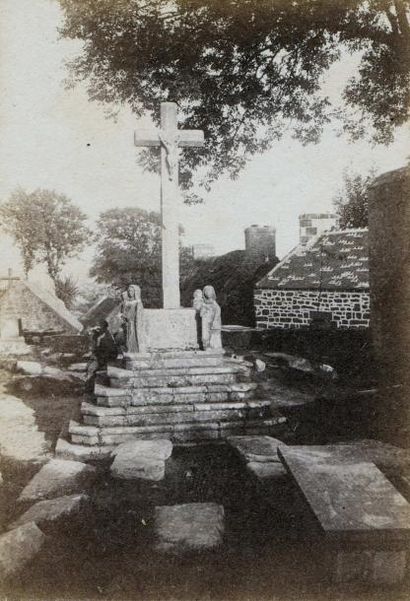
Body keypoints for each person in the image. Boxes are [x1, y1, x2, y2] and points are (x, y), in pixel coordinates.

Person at [85, 320, 118, 393]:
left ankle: (89, 390)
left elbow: (111, 351)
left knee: (91, 369)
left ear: (104, 328)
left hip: (105, 358)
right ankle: (88, 387)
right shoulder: (98, 335)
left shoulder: (107, 337)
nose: (98, 329)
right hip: (99, 356)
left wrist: (100, 359)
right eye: (98, 328)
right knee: (88, 368)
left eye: (100, 328)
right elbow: (90, 340)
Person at [120, 284, 146, 353]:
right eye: (129, 291)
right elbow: (125, 311)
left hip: (135, 323)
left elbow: (139, 313)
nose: (130, 292)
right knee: (128, 336)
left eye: (131, 291)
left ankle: (134, 349)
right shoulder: (127, 302)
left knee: (133, 336)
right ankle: (129, 349)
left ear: (135, 292)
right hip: (128, 322)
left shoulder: (138, 302)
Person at [200, 285, 222, 350]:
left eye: (210, 291)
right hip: (206, 321)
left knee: (214, 333)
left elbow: (218, 310)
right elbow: (201, 314)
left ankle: (214, 346)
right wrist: (204, 310)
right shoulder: (203, 304)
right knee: (206, 334)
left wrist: (215, 319)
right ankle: (206, 345)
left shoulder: (214, 303)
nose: (208, 293)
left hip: (213, 320)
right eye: (206, 291)